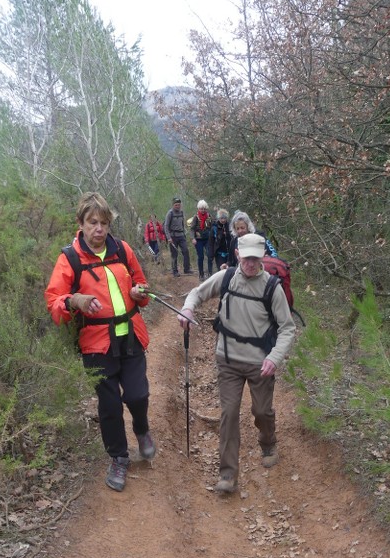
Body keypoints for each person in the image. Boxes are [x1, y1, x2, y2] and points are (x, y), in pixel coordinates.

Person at [45, 192, 156, 493]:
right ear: (80, 223)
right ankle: (119, 458)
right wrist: (76, 300)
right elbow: (53, 302)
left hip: (131, 336)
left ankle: (142, 429)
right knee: (109, 405)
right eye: (93, 222)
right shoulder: (69, 258)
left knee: (138, 395)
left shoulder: (122, 249)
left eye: (104, 223)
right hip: (96, 344)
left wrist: (139, 292)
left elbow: (142, 288)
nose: (99, 229)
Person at [177, 233, 296, 494]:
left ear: (261, 258)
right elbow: (197, 294)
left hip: (259, 363)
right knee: (229, 414)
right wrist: (187, 309)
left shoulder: (272, 287)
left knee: (261, 412)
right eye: (246, 258)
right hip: (228, 360)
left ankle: (268, 442)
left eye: (255, 259)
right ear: (238, 255)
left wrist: (274, 358)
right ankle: (228, 474)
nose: (250, 264)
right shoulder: (227, 277)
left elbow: (287, 328)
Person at [164, 197, 193, 277]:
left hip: (181, 236)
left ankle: (186, 269)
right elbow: (166, 226)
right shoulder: (170, 213)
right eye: (176, 205)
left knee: (186, 251)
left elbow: (182, 224)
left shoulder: (181, 212)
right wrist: (168, 237)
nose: (177, 206)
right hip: (173, 237)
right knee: (174, 254)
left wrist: (184, 233)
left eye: (179, 205)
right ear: (173, 205)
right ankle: (175, 271)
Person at [189, 199, 212, 280]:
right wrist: (193, 238)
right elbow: (192, 229)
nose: (203, 210)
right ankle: (201, 274)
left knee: (209, 255)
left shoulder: (209, 216)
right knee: (201, 256)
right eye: (201, 209)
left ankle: (210, 273)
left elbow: (212, 226)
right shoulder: (196, 217)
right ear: (198, 209)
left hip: (207, 239)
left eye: (204, 209)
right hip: (198, 240)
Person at [208, 208, 232, 273]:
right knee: (221, 271)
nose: (223, 220)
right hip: (219, 253)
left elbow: (233, 239)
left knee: (229, 271)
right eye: (221, 218)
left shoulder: (230, 226)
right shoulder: (214, 228)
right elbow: (211, 242)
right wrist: (211, 254)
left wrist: (227, 234)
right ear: (219, 218)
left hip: (229, 253)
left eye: (225, 218)